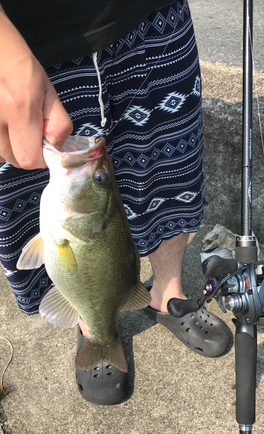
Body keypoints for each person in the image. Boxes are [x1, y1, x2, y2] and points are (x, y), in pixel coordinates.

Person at [0, 1, 232, 405]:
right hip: (30, 39)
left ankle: (167, 291)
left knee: (167, 170)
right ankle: (94, 325)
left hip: (151, 17)